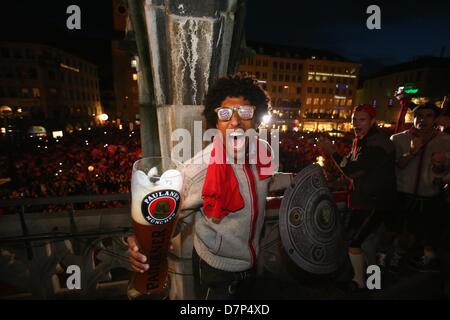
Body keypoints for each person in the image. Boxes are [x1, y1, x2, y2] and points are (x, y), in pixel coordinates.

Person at [127, 74, 292, 299]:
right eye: (225, 114)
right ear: (216, 122)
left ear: (256, 118)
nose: (235, 122)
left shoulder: (263, 152)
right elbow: (166, 217)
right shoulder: (199, 169)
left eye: (244, 112)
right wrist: (141, 243)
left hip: (253, 263)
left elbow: (266, 181)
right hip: (216, 270)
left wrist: (296, 178)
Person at [319, 104, 397, 290]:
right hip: (365, 199)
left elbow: (353, 171)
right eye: (354, 119)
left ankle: (367, 282)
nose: (356, 123)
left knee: (359, 242)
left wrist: (332, 152)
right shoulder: (364, 139)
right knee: (362, 242)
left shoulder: (377, 143)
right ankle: (365, 280)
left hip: (375, 201)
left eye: (362, 119)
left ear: (372, 121)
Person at [390, 103, 450, 272]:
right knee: (401, 231)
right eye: (419, 116)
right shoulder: (398, 139)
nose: (423, 120)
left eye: (428, 116)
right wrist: (411, 152)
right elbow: (394, 166)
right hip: (403, 193)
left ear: (435, 119)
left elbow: (445, 173)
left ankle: (428, 259)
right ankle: (396, 258)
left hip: (430, 195)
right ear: (414, 118)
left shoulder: (445, 141)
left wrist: (439, 168)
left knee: (429, 232)